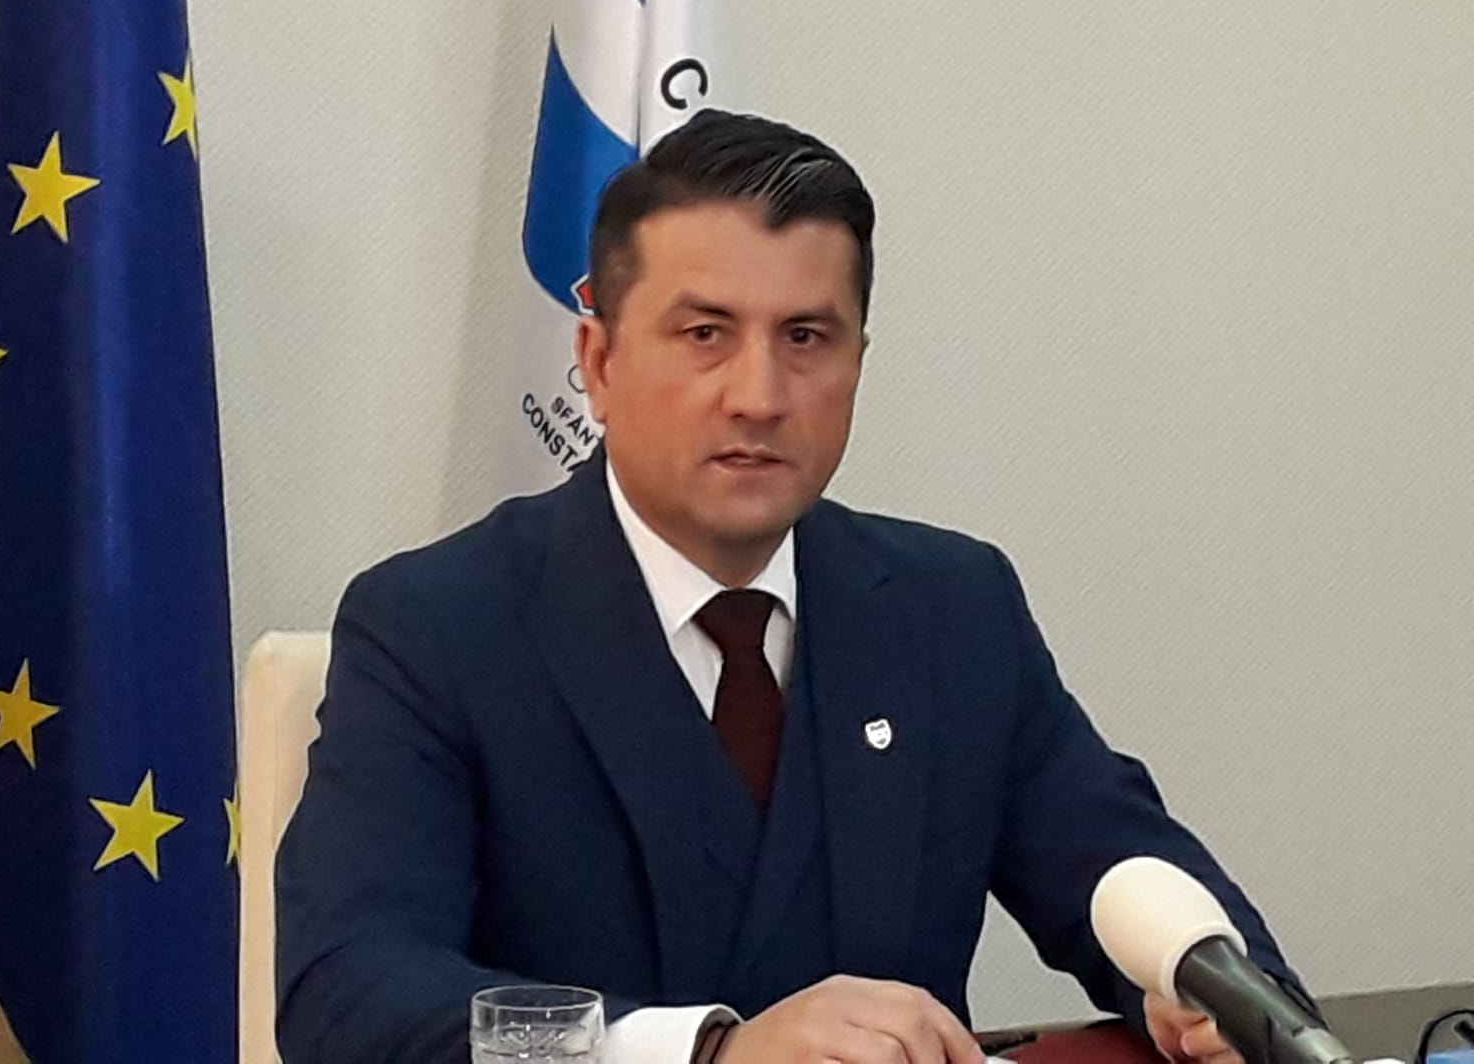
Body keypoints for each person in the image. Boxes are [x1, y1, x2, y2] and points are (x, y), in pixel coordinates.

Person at [275, 109, 1319, 1063]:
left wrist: (1221, 1008)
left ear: (858, 360)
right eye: (705, 334)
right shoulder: (439, 625)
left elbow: (1129, 876)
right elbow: (350, 998)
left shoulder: (951, 610)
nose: (760, 395)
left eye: (806, 338)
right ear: (599, 361)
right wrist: (705, 1055)